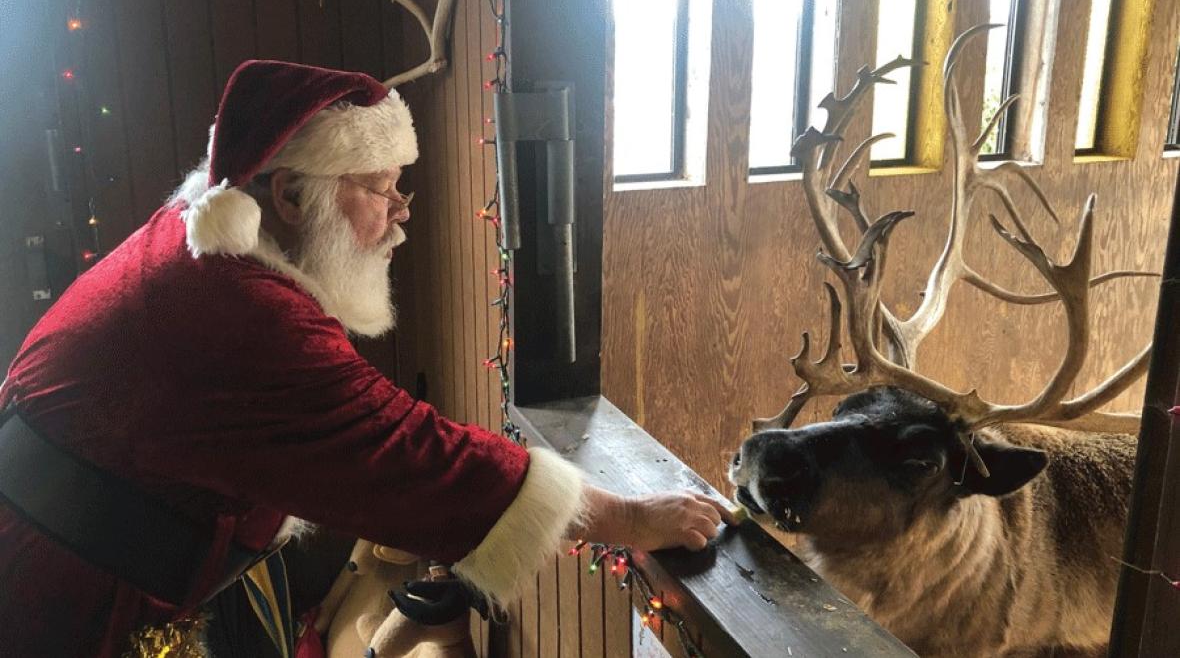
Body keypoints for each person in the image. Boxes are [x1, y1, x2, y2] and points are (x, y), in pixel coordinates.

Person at [0, 60, 733, 657]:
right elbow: (415, 453)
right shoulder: (245, 312)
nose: (401, 211)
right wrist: (630, 520)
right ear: (290, 193)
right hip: (62, 606)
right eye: (381, 189)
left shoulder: (201, 242)